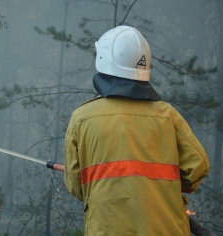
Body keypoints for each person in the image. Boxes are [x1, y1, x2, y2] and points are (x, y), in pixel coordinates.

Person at [63, 26, 210, 236]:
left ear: (103, 59)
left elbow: (77, 186)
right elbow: (198, 168)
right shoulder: (167, 116)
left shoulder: (82, 118)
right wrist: (161, 189)